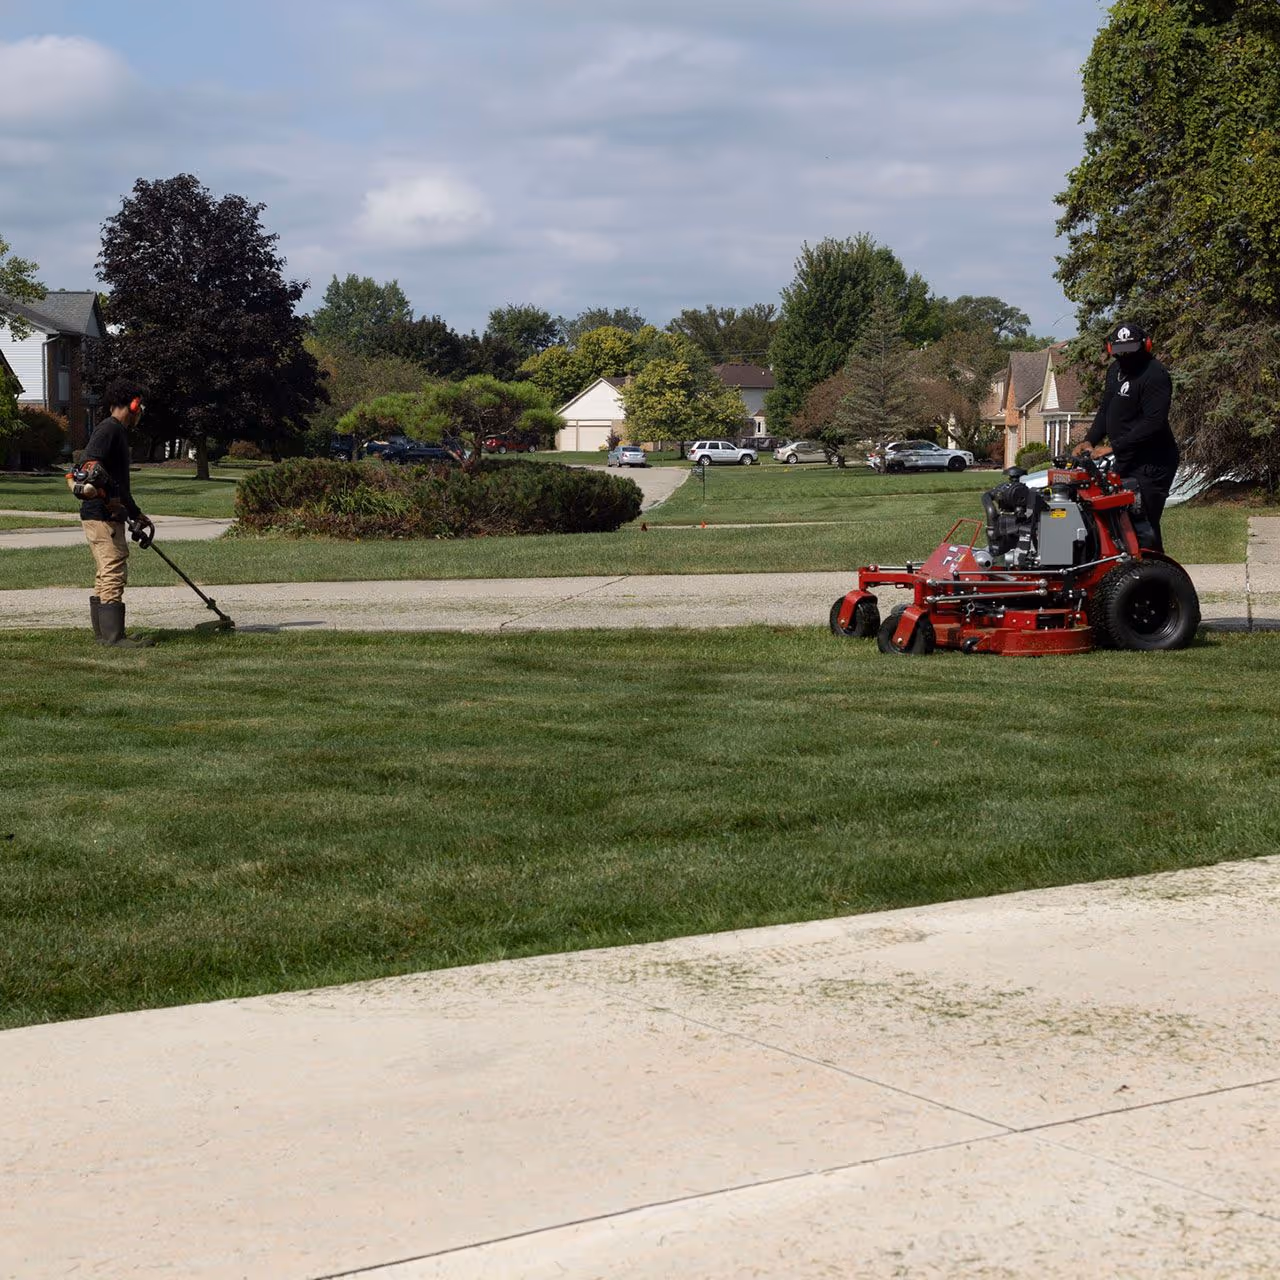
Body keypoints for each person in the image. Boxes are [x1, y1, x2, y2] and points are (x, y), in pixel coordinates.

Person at [1074, 321, 1179, 551]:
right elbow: (1106, 410)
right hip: (1126, 459)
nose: (1126, 357)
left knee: (1143, 524)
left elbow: (1154, 422)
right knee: (1119, 523)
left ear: (1146, 346)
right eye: (1120, 353)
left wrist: (1114, 447)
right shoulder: (1115, 371)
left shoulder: (1155, 374)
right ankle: (1125, 569)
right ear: (1111, 350)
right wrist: (1090, 440)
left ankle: (1153, 570)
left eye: (1131, 352)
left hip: (1153, 463)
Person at [79, 379, 156, 647]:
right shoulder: (109, 429)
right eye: (141, 406)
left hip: (106, 514)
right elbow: (89, 465)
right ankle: (114, 637)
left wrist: (136, 513)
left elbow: (119, 484)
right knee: (113, 568)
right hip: (102, 515)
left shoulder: (117, 431)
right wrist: (109, 499)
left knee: (105, 571)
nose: (142, 412)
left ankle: (104, 635)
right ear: (134, 404)